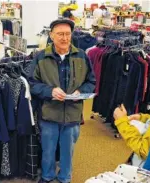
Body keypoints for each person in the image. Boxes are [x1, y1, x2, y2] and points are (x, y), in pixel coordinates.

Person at [29, 18, 96, 183]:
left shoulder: (82, 56)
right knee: (48, 150)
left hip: (72, 114)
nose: (64, 38)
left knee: (68, 150)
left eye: (67, 34)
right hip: (49, 113)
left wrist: (82, 91)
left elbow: (91, 81)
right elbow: (31, 84)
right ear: (51, 35)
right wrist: (49, 91)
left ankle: (65, 178)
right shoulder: (40, 57)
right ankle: (47, 176)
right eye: (60, 34)